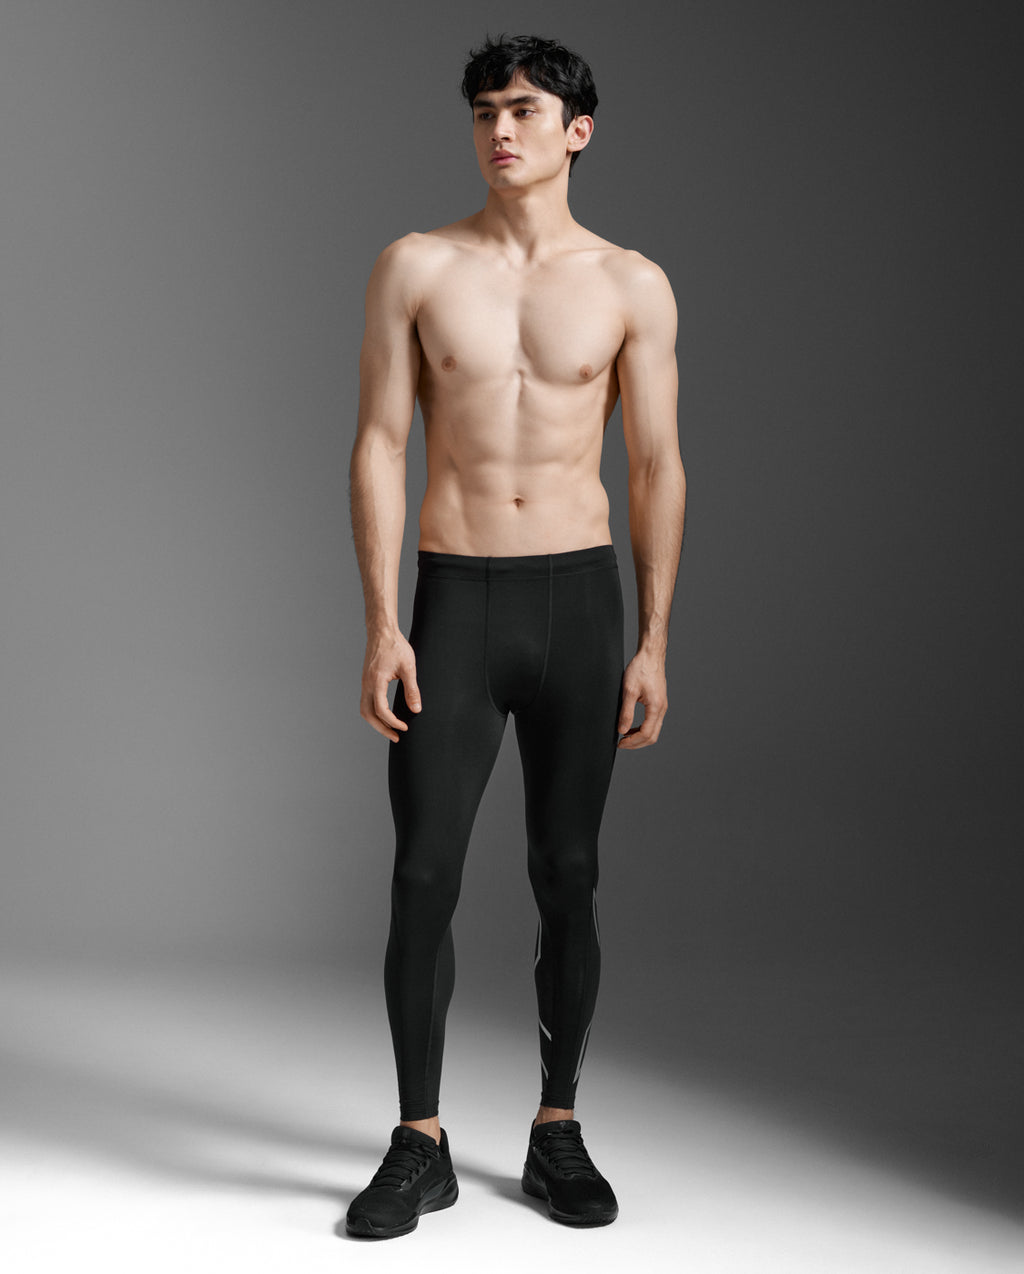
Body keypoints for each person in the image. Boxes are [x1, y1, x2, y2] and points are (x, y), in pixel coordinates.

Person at [346, 34, 686, 1239]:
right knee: (422, 873)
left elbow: (654, 464)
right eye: (486, 109)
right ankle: (418, 1140)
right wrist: (382, 622)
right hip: (456, 596)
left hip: (577, 603)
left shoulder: (631, 283)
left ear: (577, 130)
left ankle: (556, 1128)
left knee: (567, 871)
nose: (500, 128)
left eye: (526, 109)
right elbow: (381, 442)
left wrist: (652, 640)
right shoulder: (416, 266)